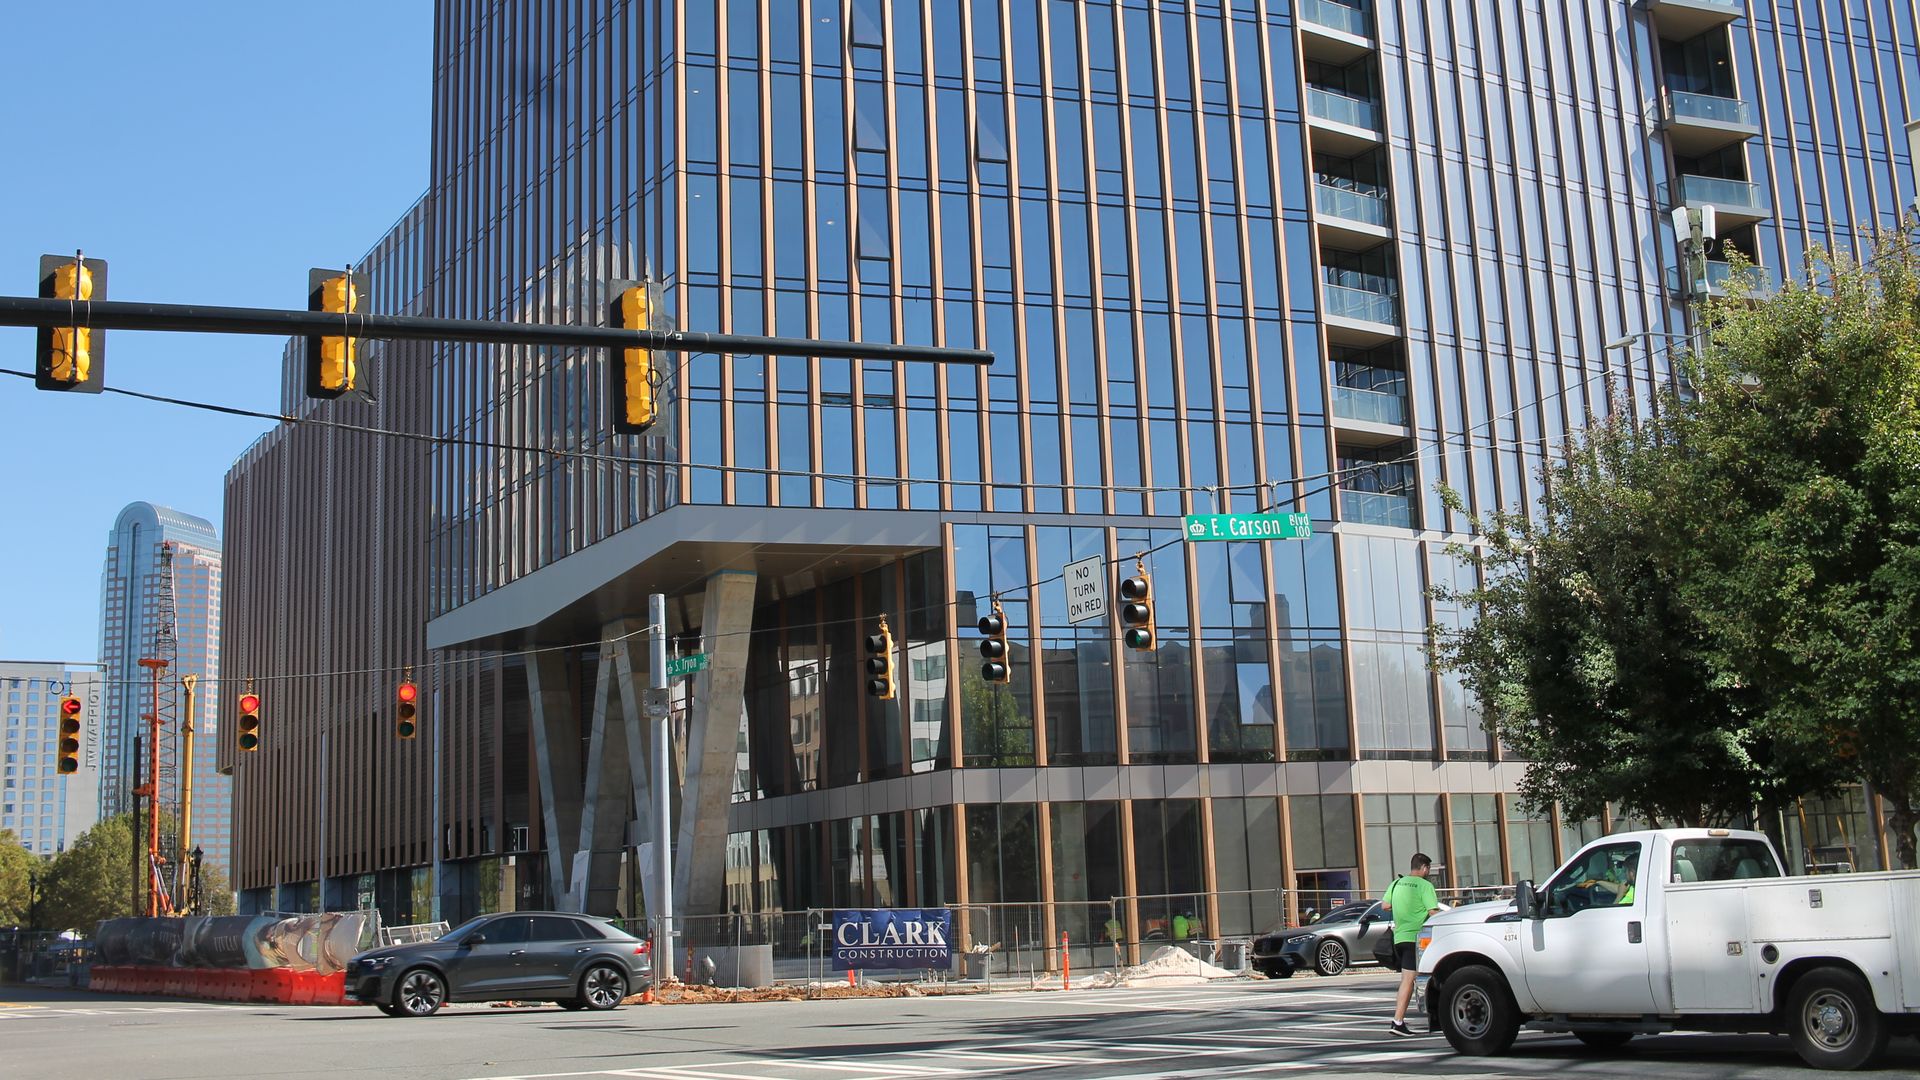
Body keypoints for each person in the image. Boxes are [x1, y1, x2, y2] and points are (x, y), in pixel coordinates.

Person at [1379, 852, 1440, 1037]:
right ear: (1424, 868)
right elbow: (1432, 912)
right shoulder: (1425, 886)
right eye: (1428, 869)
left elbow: (1384, 906)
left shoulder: (1396, 883)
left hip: (1399, 938)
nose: (1428, 872)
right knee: (1409, 980)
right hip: (1416, 938)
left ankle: (1435, 1018)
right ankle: (1398, 1022)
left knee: (1421, 977)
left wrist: (1402, 907)